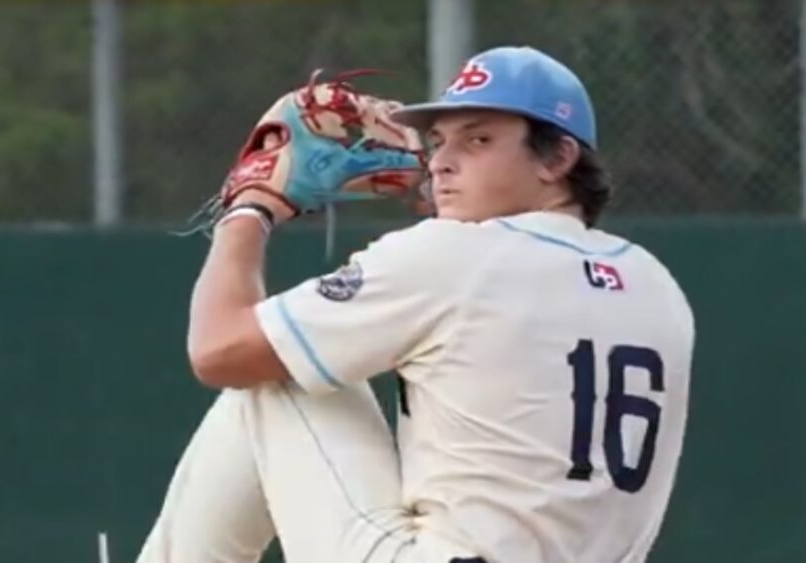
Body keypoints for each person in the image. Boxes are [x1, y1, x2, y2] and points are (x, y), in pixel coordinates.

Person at [138, 45, 694, 563]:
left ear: (558, 159)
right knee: (294, 353)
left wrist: (251, 206)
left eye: (477, 141)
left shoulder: (451, 257)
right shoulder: (657, 283)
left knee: (279, 373)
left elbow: (218, 350)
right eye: (439, 141)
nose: (441, 161)